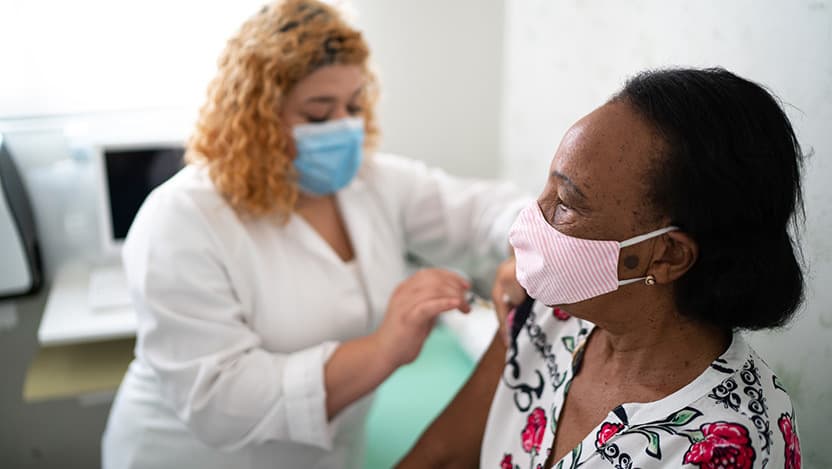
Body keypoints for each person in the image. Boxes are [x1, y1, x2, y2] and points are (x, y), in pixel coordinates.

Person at [101, 1, 528, 468]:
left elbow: (489, 210)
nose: (344, 128)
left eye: (354, 106)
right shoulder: (182, 218)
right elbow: (220, 403)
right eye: (319, 114)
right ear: (256, 118)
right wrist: (383, 348)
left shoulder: (372, 183)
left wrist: (526, 252)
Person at [399, 68, 805, 469]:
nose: (531, 220)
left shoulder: (730, 444)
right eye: (548, 187)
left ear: (667, 256)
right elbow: (442, 456)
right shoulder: (550, 312)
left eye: (566, 205)